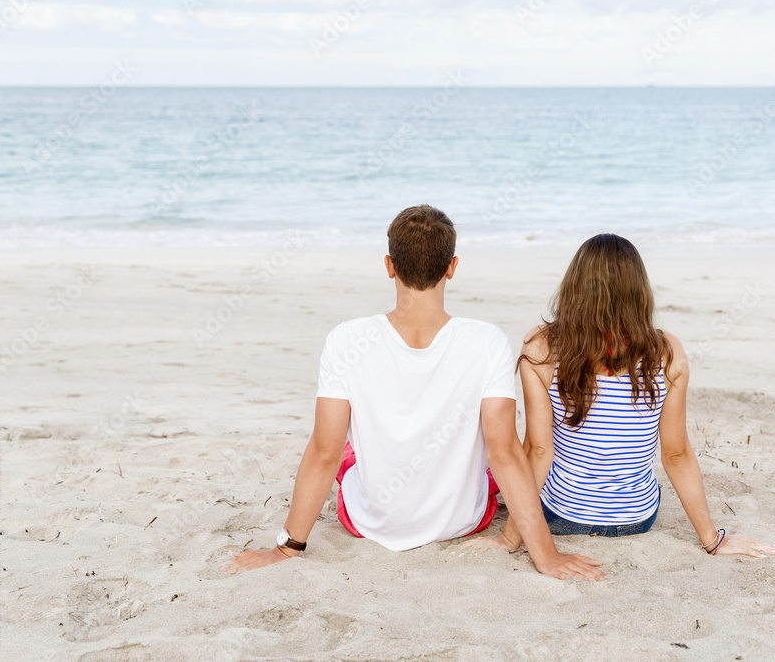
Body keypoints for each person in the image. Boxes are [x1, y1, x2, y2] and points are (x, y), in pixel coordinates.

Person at [224, 206, 604, 580]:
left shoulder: (347, 339)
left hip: (369, 524)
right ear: (452, 267)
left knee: (346, 450)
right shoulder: (487, 341)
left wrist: (286, 547)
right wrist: (547, 555)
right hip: (464, 522)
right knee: (489, 452)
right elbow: (503, 452)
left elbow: (325, 452)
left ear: (389, 265)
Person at [467, 234, 775, 558]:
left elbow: (538, 451)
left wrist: (509, 537)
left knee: (499, 474)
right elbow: (676, 455)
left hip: (560, 516)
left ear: (574, 289)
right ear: (639, 293)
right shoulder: (668, 353)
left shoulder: (541, 348)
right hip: (636, 520)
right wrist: (713, 540)